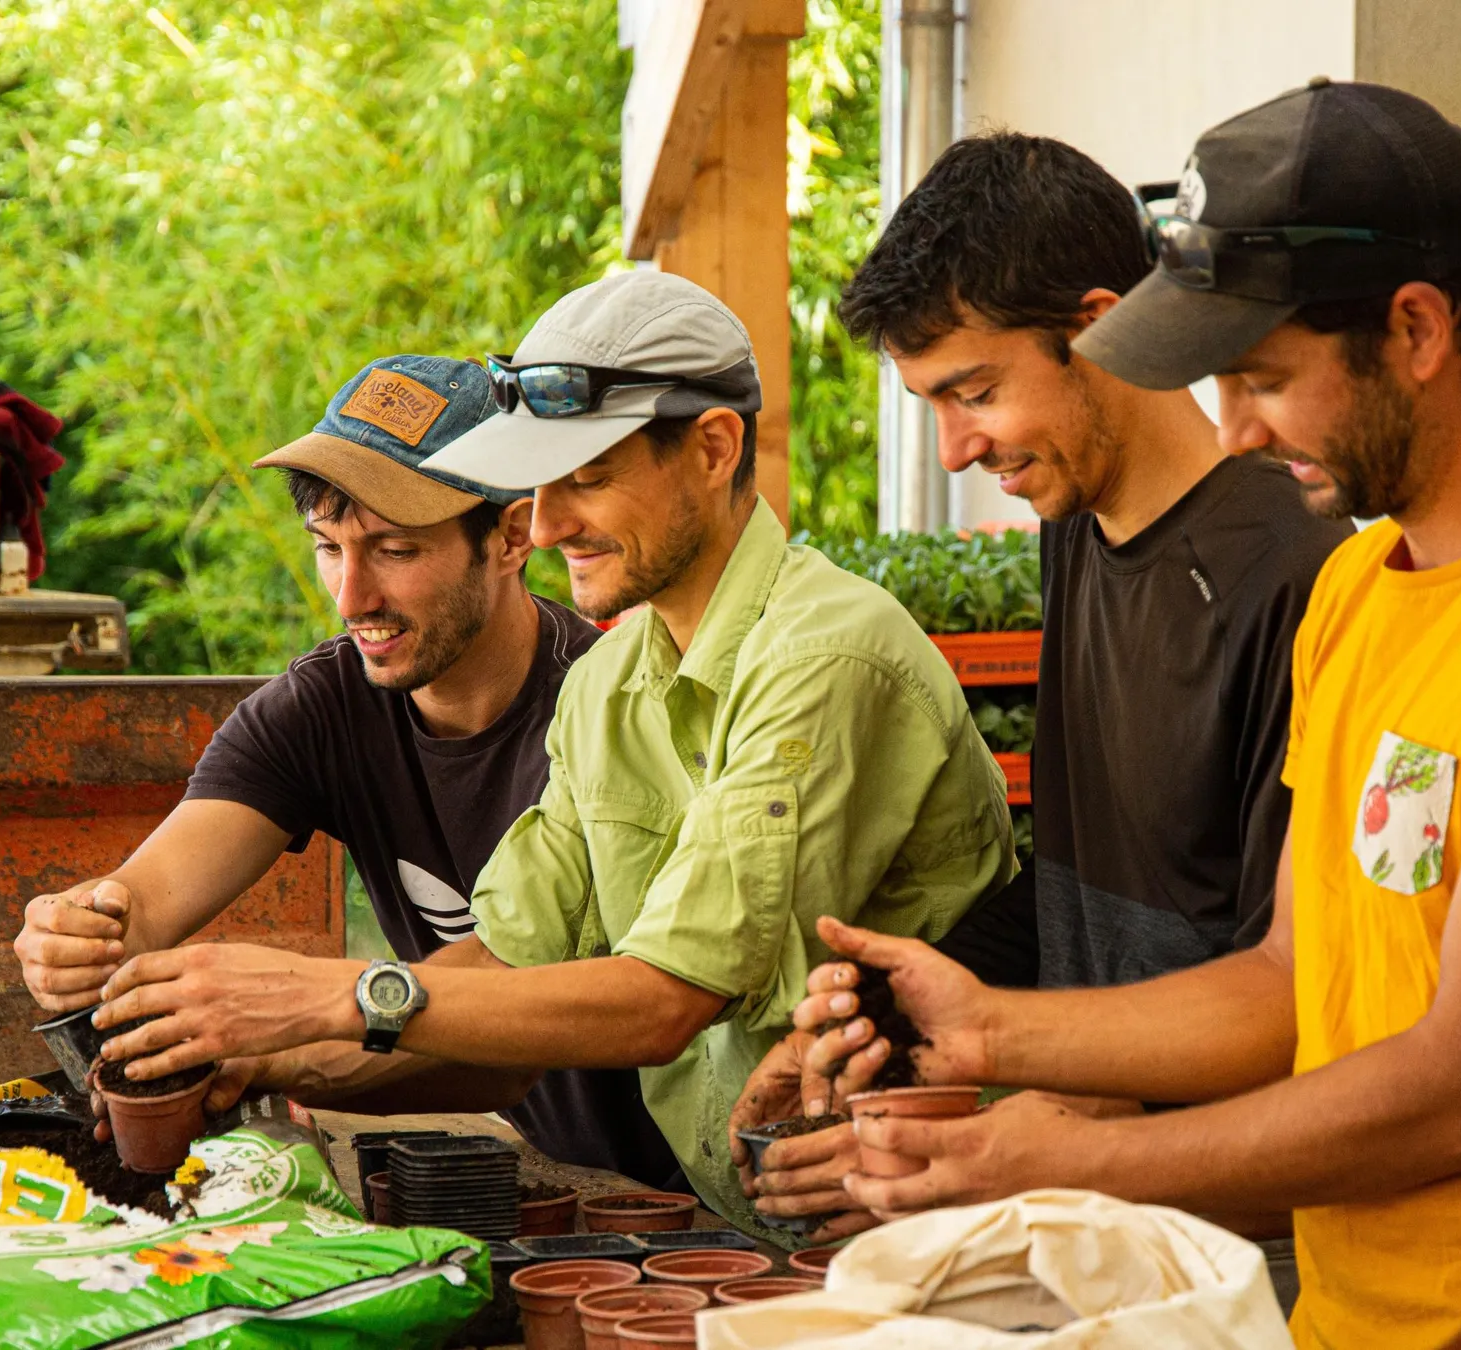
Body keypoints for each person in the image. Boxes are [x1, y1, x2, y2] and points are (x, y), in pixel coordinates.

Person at [793, 80, 1461, 1348]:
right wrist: (978, 1025)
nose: (1237, 426)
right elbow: (1284, 979)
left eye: (1261, 376)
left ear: (1419, 328)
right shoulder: (1366, 597)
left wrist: (1079, 1158)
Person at [87, 271, 1015, 1241]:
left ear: (712, 448)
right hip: (761, 1227)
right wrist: (260, 1053)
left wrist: (324, 993)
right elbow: (498, 968)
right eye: (539, 483)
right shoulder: (609, 682)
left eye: (590, 477)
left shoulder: (825, 655)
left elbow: (664, 1001)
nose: (549, 522)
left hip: (933, 1217)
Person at [731, 131, 1349, 1239]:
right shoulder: (1078, 527)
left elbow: (1290, 996)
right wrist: (887, 1018)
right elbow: (1091, 903)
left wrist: (1025, 1098)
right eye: (931, 402)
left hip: (1237, 1243)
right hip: (1092, 1210)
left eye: (973, 391)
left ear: (1100, 327)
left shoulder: (1296, 577)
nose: (957, 449)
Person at [10, 355, 686, 1182]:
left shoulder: (615, 709)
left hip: (697, 1186)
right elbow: (145, 899)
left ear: (511, 537)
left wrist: (284, 1027)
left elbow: (520, 1032)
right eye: (330, 548)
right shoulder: (321, 707)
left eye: (396, 550)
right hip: (547, 1171)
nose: (350, 596)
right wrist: (78, 931)